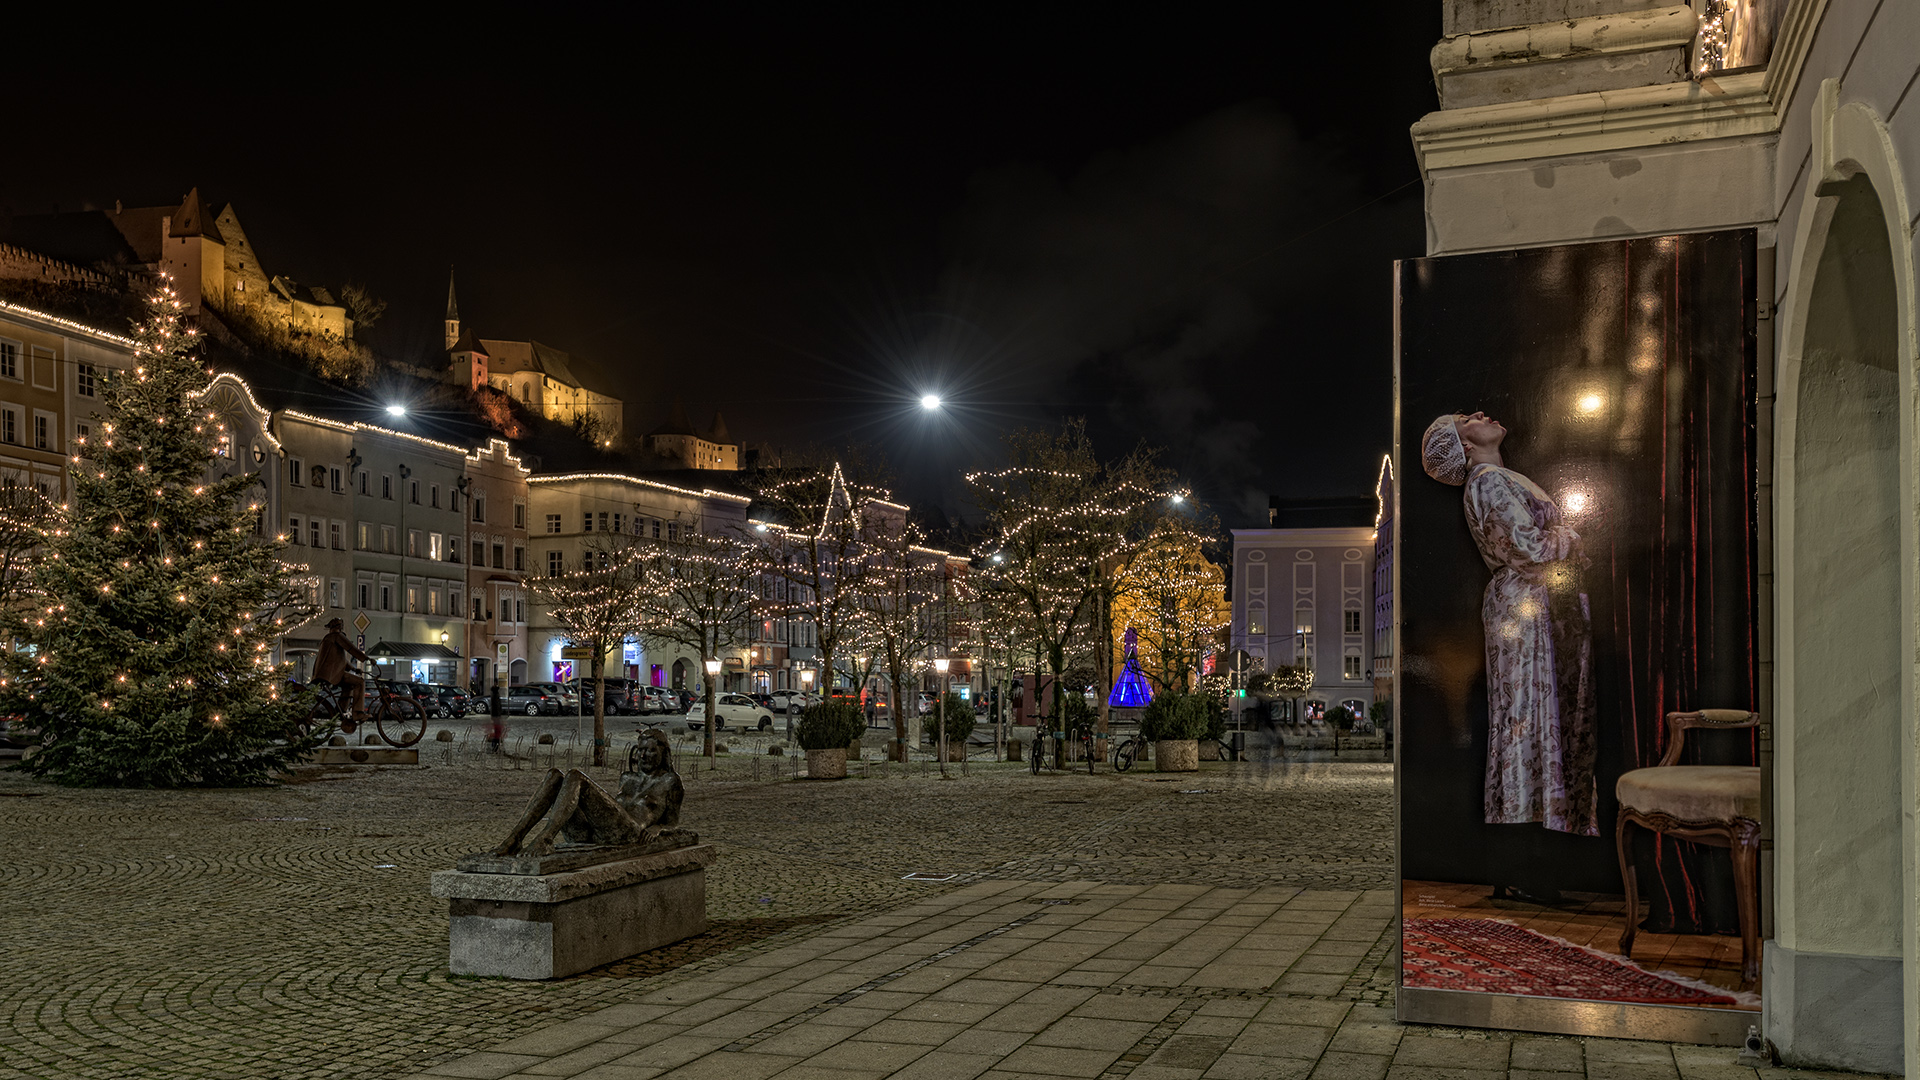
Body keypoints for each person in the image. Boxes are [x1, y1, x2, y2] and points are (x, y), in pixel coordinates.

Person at [1422, 410, 1598, 838]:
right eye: (1466, 419)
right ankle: (1530, 841)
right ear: (1464, 444)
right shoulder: (1486, 482)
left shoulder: (1498, 480)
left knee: (1533, 711)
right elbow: (1529, 550)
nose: (1480, 414)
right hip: (1526, 608)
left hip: (1535, 605)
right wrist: (1570, 537)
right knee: (1528, 711)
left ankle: (1537, 834)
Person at [312, 617, 371, 725]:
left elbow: (341, 660)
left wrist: (353, 669)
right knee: (360, 682)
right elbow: (351, 648)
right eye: (340, 624)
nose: (341, 626)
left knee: (349, 686)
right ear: (337, 627)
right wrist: (366, 658)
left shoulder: (328, 638)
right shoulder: (336, 636)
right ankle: (358, 712)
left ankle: (340, 711)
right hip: (332, 674)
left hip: (328, 673)